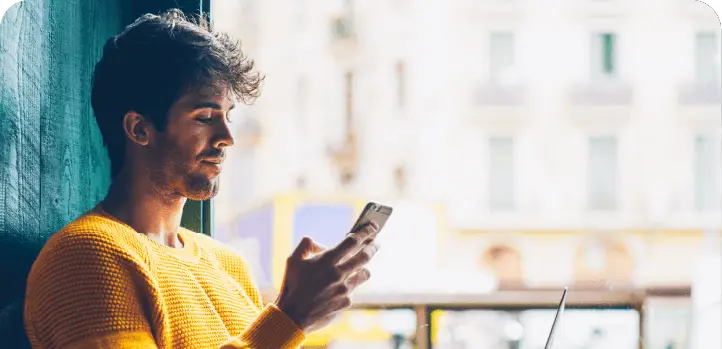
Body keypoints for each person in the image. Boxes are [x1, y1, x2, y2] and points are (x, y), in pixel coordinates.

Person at [23, 9, 381, 349]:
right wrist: (290, 317)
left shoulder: (228, 265)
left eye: (228, 115)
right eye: (205, 117)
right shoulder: (86, 255)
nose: (227, 136)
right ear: (139, 128)